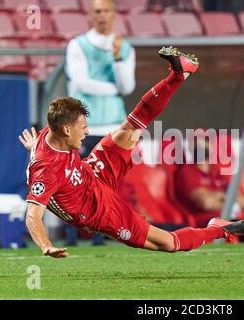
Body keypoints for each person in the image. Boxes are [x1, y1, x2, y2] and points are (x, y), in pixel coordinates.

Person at [19, 47, 244, 258]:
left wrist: (33, 150)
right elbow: (32, 215)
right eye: (82, 128)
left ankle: (178, 74)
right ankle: (219, 227)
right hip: (101, 211)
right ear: (65, 129)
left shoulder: (49, 137)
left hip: (93, 170)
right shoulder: (46, 168)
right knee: (168, 243)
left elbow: (43, 156)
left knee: (132, 125)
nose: (87, 132)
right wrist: (46, 246)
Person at [65, 0, 136, 245]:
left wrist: (117, 58)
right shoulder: (78, 45)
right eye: (97, 11)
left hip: (113, 125)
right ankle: (71, 235)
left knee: (106, 184)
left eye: (106, 11)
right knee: (73, 180)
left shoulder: (123, 47)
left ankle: (99, 235)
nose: (102, 16)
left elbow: (127, 86)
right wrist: (114, 88)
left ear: (113, 14)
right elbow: (82, 82)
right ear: (91, 15)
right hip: (83, 125)